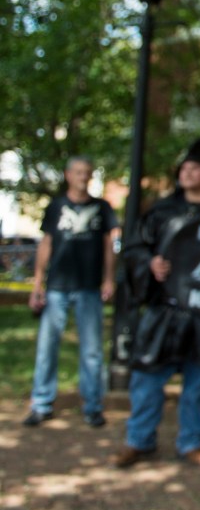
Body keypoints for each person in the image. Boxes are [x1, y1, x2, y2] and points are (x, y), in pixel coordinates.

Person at [112, 135, 200, 468]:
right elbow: (134, 248)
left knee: (196, 385)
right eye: (184, 168)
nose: (187, 173)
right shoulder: (162, 211)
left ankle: (191, 442)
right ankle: (138, 440)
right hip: (165, 311)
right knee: (148, 379)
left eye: (194, 167)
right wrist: (149, 263)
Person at [25, 155, 117, 428]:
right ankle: (41, 404)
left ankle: (93, 406)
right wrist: (38, 283)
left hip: (89, 286)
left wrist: (109, 279)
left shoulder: (102, 208)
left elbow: (108, 246)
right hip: (56, 287)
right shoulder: (56, 206)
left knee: (92, 350)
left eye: (87, 172)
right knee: (47, 347)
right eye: (78, 172)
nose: (83, 177)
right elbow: (46, 244)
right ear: (68, 175)